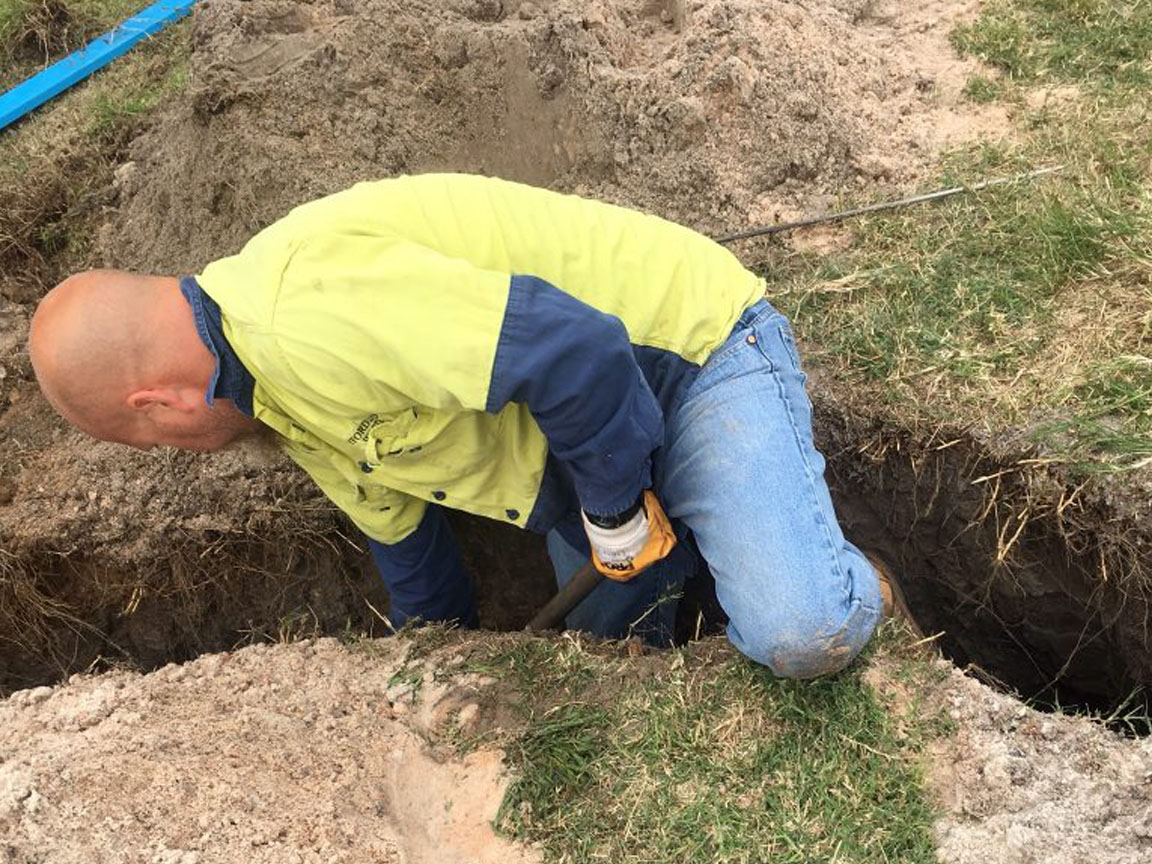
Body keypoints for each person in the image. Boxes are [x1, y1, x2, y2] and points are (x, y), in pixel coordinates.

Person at [29, 173, 886, 677]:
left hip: (688, 356)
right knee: (601, 675)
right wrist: (434, 658)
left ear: (159, 404)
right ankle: (700, 545)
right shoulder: (275, 396)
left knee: (797, 632)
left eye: (153, 443)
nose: (178, 451)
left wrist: (618, 514)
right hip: (578, 446)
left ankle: (854, 578)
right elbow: (409, 548)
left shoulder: (309, 316)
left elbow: (580, 353)